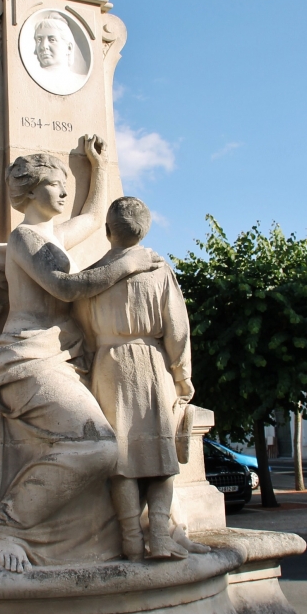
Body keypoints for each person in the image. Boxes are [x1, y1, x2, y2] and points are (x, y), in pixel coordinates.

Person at [0, 139, 163, 573]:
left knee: (102, 446)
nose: (64, 191)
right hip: (27, 358)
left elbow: (96, 216)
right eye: (56, 184)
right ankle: (7, 525)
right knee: (99, 447)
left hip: (58, 357)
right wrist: (128, 265)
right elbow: (64, 286)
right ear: (28, 191)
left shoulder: (54, 234)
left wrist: (98, 170)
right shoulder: (24, 237)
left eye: (66, 184)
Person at [78, 197, 205, 561]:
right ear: (146, 230)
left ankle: (131, 540)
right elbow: (177, 330)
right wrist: (183, 376)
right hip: (152, 363)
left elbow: (84, 330)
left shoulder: (96, 273)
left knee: (123, 459)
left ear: (107, 231)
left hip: (108, 365)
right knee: (162, 456)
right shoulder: (159, 270)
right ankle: (161, 537)